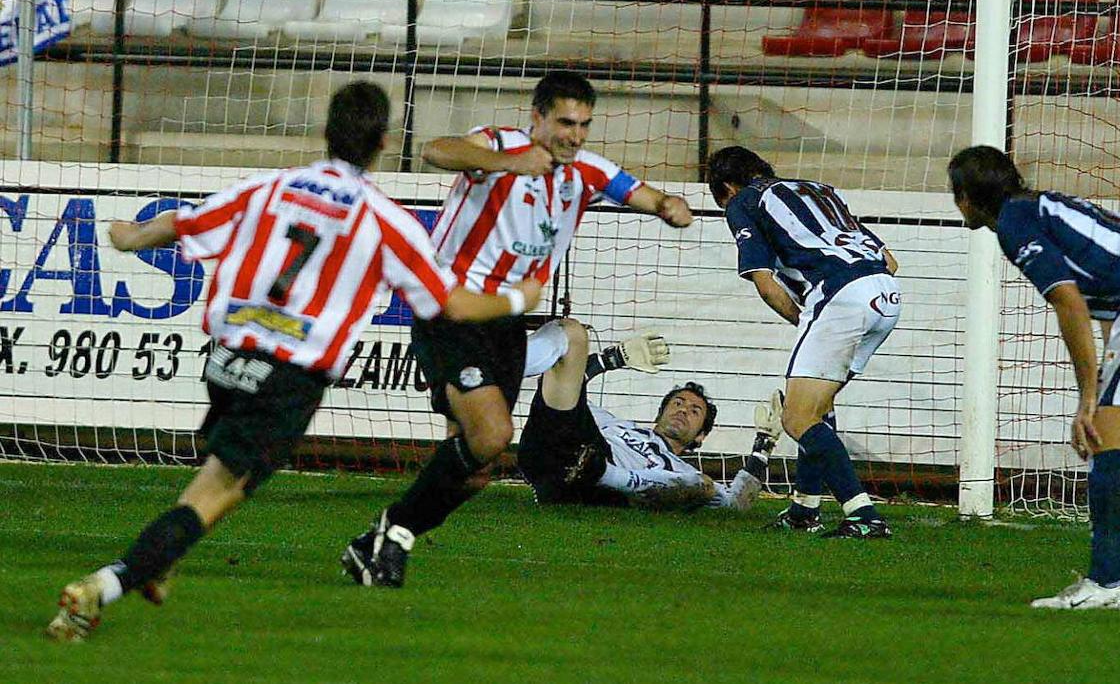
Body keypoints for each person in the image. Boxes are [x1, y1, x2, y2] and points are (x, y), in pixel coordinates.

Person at [45, 82, 542, 642]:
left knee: (219, 479)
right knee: (218, 492)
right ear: (383, 142)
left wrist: (127, 237)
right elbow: (451, 303)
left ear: (326, 131)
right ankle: (102, 588)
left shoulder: (270, 187)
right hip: (286, 376)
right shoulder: (385, 219)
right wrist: (521, 297)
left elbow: (180, 224)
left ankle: (160, 558)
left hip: (226, 360)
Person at [342, 71, 694, 588]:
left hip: (505, 322)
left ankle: (382, 539)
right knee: (494, 434)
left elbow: (639, 192)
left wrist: (668, 207)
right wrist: (506, 164)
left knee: (477, 468)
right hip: (452, 308)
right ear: (538, 118)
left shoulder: (587, 172)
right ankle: (390, 536)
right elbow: (438, 150)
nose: (574, 135)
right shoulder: (500, 143)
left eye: (584, 125)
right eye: (565, 123)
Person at [947, 145, 1120, 610]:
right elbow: (1112, 299)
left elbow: (1069, 302)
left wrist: (1086, 398)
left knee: (1103, 433)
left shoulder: (1015, 223)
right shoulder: (1040, 206)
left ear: (966, 197)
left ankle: (1104, 582)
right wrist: (1106, 376)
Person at [707, 146, 900, 539]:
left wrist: (806, 319)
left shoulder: (743, 201)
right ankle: (804, 510)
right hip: (886, 294)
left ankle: (863, 514)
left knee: (796, 417)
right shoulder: (819, 190)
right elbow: (890, 260)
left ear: (727, 187)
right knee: (818, 406)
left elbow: (764, 282)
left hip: (841, 298)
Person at [517, 318, 782, 511]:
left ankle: (603, 474)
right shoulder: (614, 424)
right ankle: (505, 368)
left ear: (700, 437)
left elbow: (736, 504)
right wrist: (612, 359)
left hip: (597, 488)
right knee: (572, 333)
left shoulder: (679, 471)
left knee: (702, 485)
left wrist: (764, 445)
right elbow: (566, 388)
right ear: (659, 413)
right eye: (678, 403)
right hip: (558, 451)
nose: (683, 410)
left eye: (694, 411)